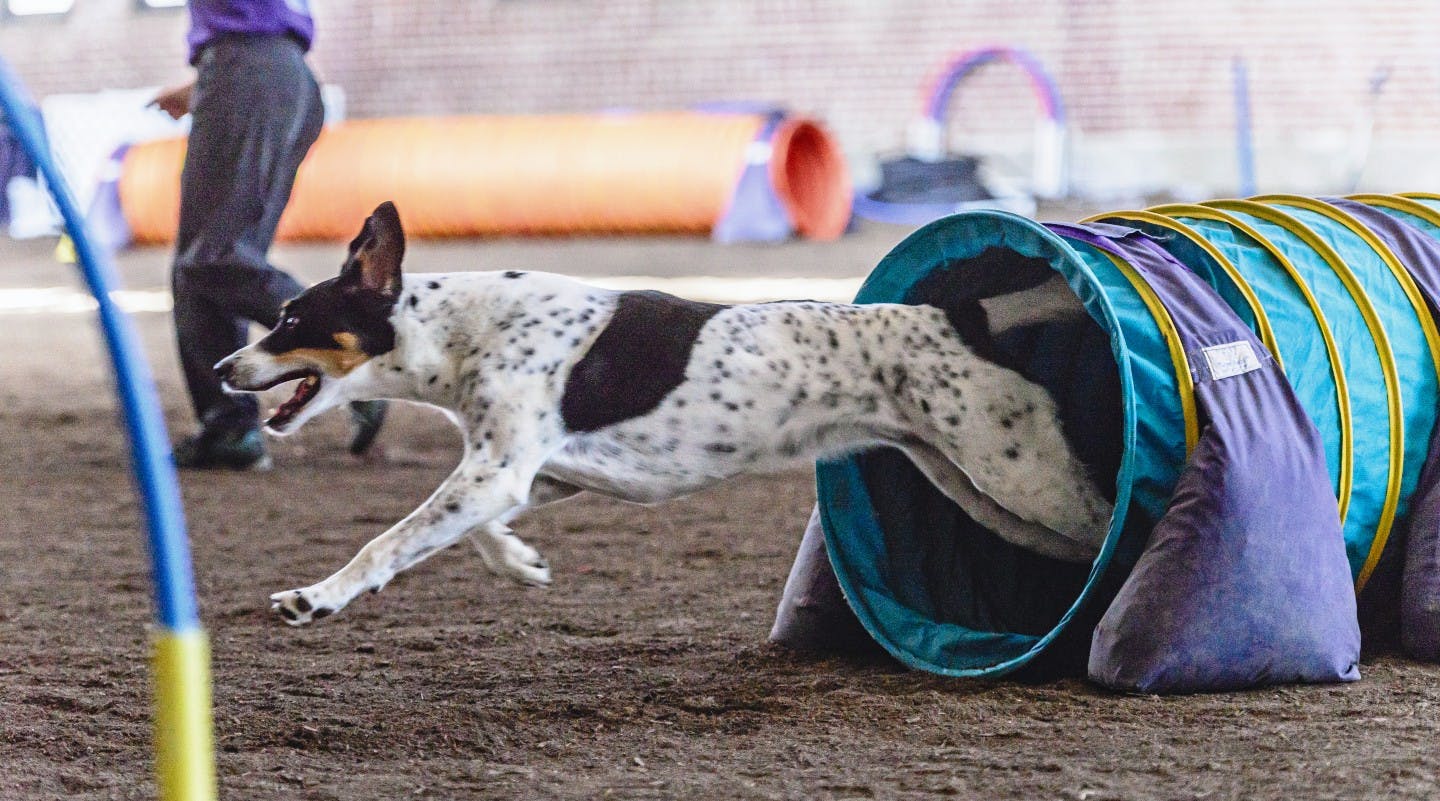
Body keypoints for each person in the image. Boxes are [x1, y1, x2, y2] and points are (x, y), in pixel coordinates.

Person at [153, 0, 384, 469]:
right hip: (271, 72)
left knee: (211, 259)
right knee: (198, 269)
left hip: (248, 68)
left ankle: (351, 346)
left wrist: (236, 76)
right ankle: (228, 429)